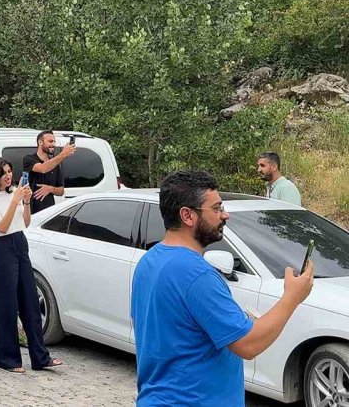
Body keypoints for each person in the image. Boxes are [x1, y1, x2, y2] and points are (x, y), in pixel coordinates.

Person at [131, 170, 314, 406]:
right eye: (216, 209)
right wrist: (292, 297)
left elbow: (159, 326)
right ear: (188, 216)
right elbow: (248, 345)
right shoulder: (197, 275)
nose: (225, 215)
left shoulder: (150, 260)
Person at [0, 158, 62, 373]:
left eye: (10, 171)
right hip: (3, 246)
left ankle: (40, 357)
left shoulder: (15, 192)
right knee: (7, 305)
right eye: (3, 173)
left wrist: (25, 202)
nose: (9, 176)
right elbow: (1, 226)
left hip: (20, 243)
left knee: (30, 302)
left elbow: (25, 223)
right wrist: (14, 201)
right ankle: (7, 359)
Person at [22, 130, 75, 214]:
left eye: (54, 142)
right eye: (50, 141)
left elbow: (61, 191)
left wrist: (50, 189)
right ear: (40, 142)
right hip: (30, 212)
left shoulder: (55, 165)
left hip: (49, 214)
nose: (53, 144)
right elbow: (43, 168)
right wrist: (63, 154)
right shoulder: (29, 159)